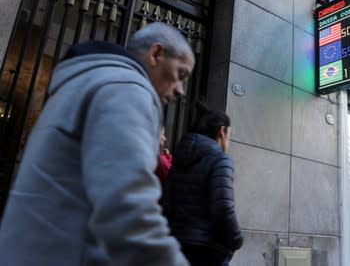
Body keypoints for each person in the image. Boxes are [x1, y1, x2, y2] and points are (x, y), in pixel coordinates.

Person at [0, 22, 195, 266]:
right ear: (156, 54)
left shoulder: (86, 84)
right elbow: (129, 212)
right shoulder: (128, 90)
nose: (181, 90)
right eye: (181, 74)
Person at [163, 102, 243, 266]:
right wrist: (236, 240)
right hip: (207, 250)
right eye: (229, 136)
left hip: (177, 246)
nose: (228, 142)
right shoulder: (220, 159)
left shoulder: (179, 159)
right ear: (221, 131)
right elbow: (223, 208)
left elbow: (167, 204)